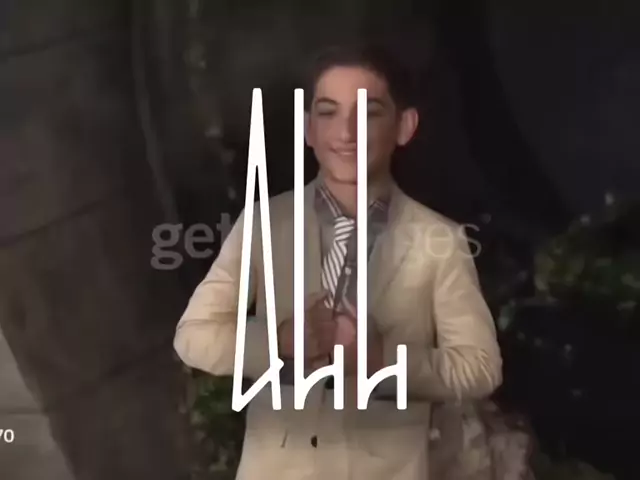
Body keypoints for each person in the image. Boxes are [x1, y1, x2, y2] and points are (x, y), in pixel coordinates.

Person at [174, 43, 503, 480]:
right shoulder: (266, 224)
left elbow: (480, 368)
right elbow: (193, 336)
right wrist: (279, 342)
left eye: (367, 113)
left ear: (404, 126)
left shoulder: (439, 240)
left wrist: (382, 360)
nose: (346, 133)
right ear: (308, 127)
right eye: (328, 112)